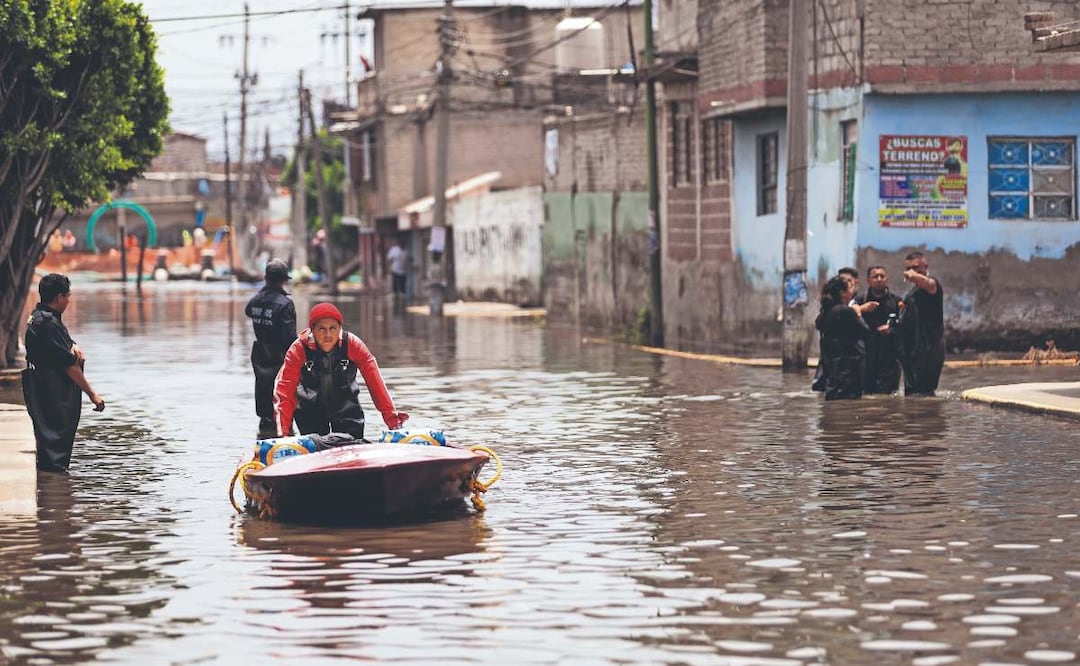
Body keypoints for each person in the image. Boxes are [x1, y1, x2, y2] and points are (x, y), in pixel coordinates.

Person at [273, 302, 408, 440]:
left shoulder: (353, 345)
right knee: (315, 447)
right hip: (310, 411)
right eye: (322, 329)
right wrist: (283, 434)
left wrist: (393, 422)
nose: (328, 334)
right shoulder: (298, 349)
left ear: (340, 329)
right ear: (312, 329)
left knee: (352, 446)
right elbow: (284, 393)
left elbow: (376, 385)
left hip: (346, 408)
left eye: (333, 328)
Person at [22, 273, 105, 472]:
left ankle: (52, 490)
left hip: (41, 383)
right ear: (59, 297)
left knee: (48, 440)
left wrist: (73, 346)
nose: (69, 300)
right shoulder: (49, 323)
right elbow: (69, 366)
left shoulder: (39, 316)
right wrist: (93, 395)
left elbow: (63, 345)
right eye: (68, 296)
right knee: (56, 441)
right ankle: (54, 492)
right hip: (52, 388)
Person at [245, 259, 297, 438]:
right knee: (283, 397)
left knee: (263, 393)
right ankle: (284, 436)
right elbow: (290, 338)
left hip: (260, 354)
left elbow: (248, 311)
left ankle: (264, 435)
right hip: (280, 356)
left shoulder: (256, 300)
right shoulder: (285, 304)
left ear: (266, 278)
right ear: (284, 280)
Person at [897, 251, 945, 396]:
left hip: (929, 349)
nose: (911, 271)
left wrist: (915, 276)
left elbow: (929, 284)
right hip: (911, 351)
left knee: (924, 394)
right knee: (911, 394)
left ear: (926, 266)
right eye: (908, 268)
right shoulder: (912, 292)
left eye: (916, 267)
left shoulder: (933, 286)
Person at [816, 275, 869, 400]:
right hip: (848, 371)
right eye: (850, 288)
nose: (853, 291)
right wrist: (858, 312)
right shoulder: (846, 311)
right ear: (842, 293)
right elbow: (865, 331)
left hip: (832, 370)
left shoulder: (826, 312)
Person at [860, 265, 903, 394]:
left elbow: (906, 325)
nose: (879, 279)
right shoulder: (860, 301)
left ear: (887, 279)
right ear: (868, 280)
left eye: (882, 276)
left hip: (889, 358)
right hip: (866, 357)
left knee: (888, 397)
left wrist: (892, 328)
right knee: (866, 396)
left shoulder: (897, 301)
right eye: (875, 276)